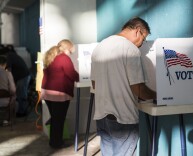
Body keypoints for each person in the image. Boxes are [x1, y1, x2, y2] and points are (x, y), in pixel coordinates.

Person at [90, 17, 156, 156]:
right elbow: (138, 90)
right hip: (123, 117)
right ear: (138, 31)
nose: (141, 45)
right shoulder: (130, 49)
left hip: (102, 116)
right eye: (143, 40)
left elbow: (94, 84)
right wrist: (158, 95)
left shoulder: (100, 46)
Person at [41, 39, 79, 149]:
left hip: (47, 92)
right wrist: (80, 77)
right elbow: (71, 74)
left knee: (55, 118)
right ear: (68, 49)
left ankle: (54, 141)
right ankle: (57, 143)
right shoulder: (64, 58)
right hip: (59, 94)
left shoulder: (51, 56)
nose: (71, 54)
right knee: (59, 119)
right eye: (71, 51)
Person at [5, 45, 31, 117]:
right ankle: (21, 111)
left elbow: (8, 70)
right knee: (20, 94)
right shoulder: (12, 55)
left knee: (21, 94)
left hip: (22, 76)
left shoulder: (9, 56)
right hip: (23, 75)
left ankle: (22, 112)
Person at [0, 55, 16, 125]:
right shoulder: (8, 74)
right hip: (5, 101)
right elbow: (12, 90)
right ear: (5, 64)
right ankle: (6, 120)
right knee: (14, 99)